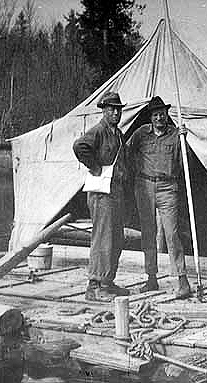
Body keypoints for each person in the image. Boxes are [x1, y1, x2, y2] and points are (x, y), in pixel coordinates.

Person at [127, 96, 192, 299]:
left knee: (172, 233)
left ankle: (182, 280)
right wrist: (134, 172)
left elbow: (185, 163)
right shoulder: (141, 134)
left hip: (167, 187)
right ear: (151, 117)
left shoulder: (175, 135)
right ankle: (151, 279)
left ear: (166, 115)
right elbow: (127, 152)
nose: (159, 118)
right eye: (155, 114)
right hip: (144, 185)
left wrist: (184, 141)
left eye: (162, 114)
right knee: (148, 232)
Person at [73, 92, 129, 302]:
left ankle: (107, 281)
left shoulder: (118, 134)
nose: (116, 112)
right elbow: (80, 146)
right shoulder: (98, 131)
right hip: (100, 193)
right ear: (104, 110)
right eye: (111, 109)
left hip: (115, 191)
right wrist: (95, 166)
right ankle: (94, 285)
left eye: (118, 109)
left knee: (117, 237)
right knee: (103, 237)